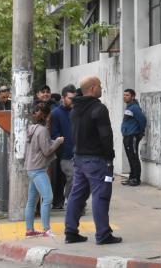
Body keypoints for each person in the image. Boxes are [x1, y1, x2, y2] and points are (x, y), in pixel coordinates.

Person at [64, 76, 121, 245]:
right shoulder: (99, 109)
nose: (101, 88)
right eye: (100, 86)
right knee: (100, 195)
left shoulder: (75, 109)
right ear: (92, 88)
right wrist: (109, 157)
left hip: (79, 159)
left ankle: (71, 232)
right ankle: (103, 234)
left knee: (76, 195)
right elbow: (106, 135)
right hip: (96, 160)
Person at [24, 102, 64, 237]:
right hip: (38, 169)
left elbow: (41, 147)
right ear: (47, 117)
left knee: (32, 200)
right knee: (47, 198)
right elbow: (46, 151)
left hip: (31, 168)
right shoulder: (43, 131)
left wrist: (53, 141)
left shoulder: (32, 128)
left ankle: (29, 230)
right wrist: (58, 141)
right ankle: (46, 229)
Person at [50, 84, 77, 209]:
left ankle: (73, 201)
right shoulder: (56, 114)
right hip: (63, 154)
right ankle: (67, 201)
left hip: (77, 153)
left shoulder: (77, 112)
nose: (73, 101)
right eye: (70, 98)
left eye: (74, 98)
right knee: (68, 178)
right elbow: (54, 135)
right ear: (63, 98)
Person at [121, 89, 146, 187]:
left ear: (133, 96)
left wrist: (140, 132)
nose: (125, 97)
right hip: (127, 136)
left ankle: (136, 179)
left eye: (127, 95)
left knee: (134, 157)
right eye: (124, 95)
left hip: (133, 136)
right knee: (130, 157)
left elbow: (143, 120)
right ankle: (131, 177)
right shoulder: (129, 107)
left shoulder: (135, 108)